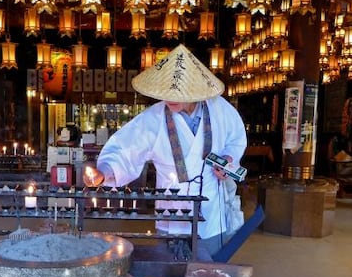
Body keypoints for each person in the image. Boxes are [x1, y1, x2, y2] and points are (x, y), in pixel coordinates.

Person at [89, 44, 247, 259]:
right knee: (172, 269)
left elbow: (236, 140)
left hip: (211, 209)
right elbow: (125, 149)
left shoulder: (220, 109)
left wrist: (228, 160)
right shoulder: (152, 118)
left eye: (177, 93)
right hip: (172, 209)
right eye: (165, 92)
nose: (169, 98)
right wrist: (104, 172)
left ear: (195, 90)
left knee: (209, 271)